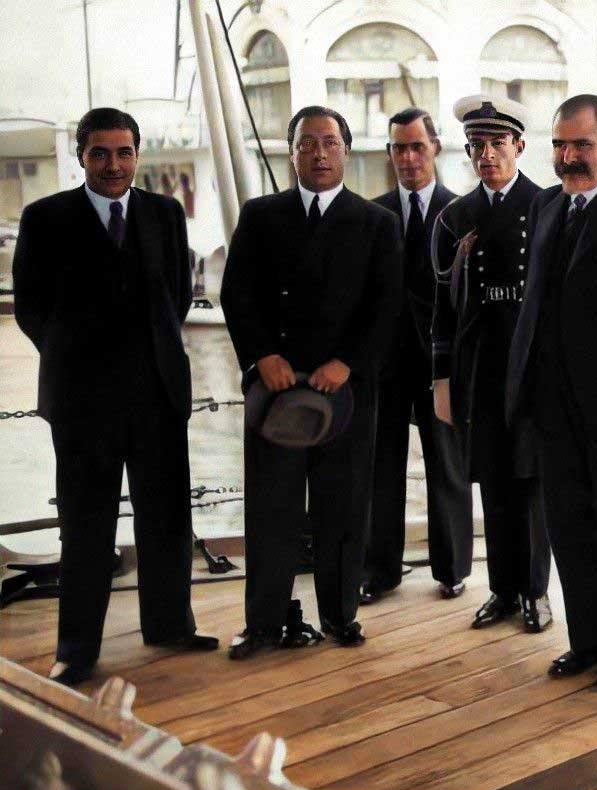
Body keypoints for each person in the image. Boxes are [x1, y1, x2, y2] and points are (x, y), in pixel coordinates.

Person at [13, 107, 216, 686]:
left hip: (157, 394)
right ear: (81, 155)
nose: (113, 164)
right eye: (100, 153)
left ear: (137, 155)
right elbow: (31, 308)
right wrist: (79, 360)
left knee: (167, 518)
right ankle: (76, 647)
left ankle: (170, 624)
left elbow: (176, 296)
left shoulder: (164, 214)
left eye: (124, 152)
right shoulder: (46, 217)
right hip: (81, 404)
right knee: (85, 526)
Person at [221, 105, 403, 659]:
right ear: (291, 151)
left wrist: (347, 361)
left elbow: (387, 304)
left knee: (343, 508)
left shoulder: (376, 223)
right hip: (277, 390)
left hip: (344, 390)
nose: (318, 154)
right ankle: (263, 623)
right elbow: (238, 295)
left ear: (346, 150)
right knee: (271, 508)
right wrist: (262, 356)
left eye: (329, 143)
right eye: (307, 144)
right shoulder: (260, 215)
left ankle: (340, 615)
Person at [506, 95, 597, 689]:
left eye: (582, 146)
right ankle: (588, 641)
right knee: (567, 523)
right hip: (552, 401)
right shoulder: (546, 206)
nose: (568, 158)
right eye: (560, 146)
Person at [430, 94, 552, 633]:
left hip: (530, 365)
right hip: (478, 367)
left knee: (532, 483)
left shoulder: (547, 207)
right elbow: (441, 306)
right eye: (477, 146)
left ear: (519, 146)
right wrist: (441, 379)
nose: (487, 155)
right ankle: (502, 590)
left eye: (498, 143)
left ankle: (536, 592)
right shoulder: (455, 216)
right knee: (494, 482)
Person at [363, 108, 473, 604]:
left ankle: (452, 570)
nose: (408, 158)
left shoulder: (459, 213)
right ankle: (379, 571)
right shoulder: (373, 214)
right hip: (385, 363)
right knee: (379, 467)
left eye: (416, 147)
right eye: (399, 149)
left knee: (446, 466)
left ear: (436, 149)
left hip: (440, 364)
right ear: (389, 154)